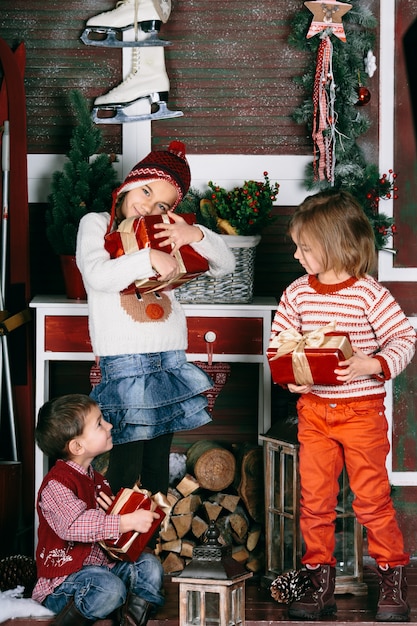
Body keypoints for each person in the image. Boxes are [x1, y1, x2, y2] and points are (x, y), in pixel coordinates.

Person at [269, 190, 416, 622]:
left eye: (305, 247)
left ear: (334, 245)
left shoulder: (369, 295)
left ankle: (391, 580)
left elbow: (404, 339)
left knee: (371, 501)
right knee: (314, 502)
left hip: (361, 414)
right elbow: (280, 345)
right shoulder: (297, 294)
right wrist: (290, 374)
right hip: (314, 414)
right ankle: (319, 584)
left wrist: (373, 362)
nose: (296, 255)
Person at [76, 140, 235, 498]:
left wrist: (195, 234)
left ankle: (149, 544)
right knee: (127, 463)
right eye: (145, 191)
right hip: (126, 364)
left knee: (156, 465)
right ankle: (118, 545)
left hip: (170, 360)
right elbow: (97, 275)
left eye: (161, 204)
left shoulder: (166, 230)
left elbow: (226, 266)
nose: (147, 206)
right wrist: (146, 257)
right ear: (129, 183)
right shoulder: (98, 223)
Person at [32, 393, 165, 626]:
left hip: (103, 570)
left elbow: (105, 532)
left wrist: (120, 513)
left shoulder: (97, 480)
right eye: (100, 423)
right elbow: (74, 525)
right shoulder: (56, 485)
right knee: (108, 587)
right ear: (77, 446)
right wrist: (125, 522)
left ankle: (131, 619)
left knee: (149, 566)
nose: (109, 425)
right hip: (65, 584)